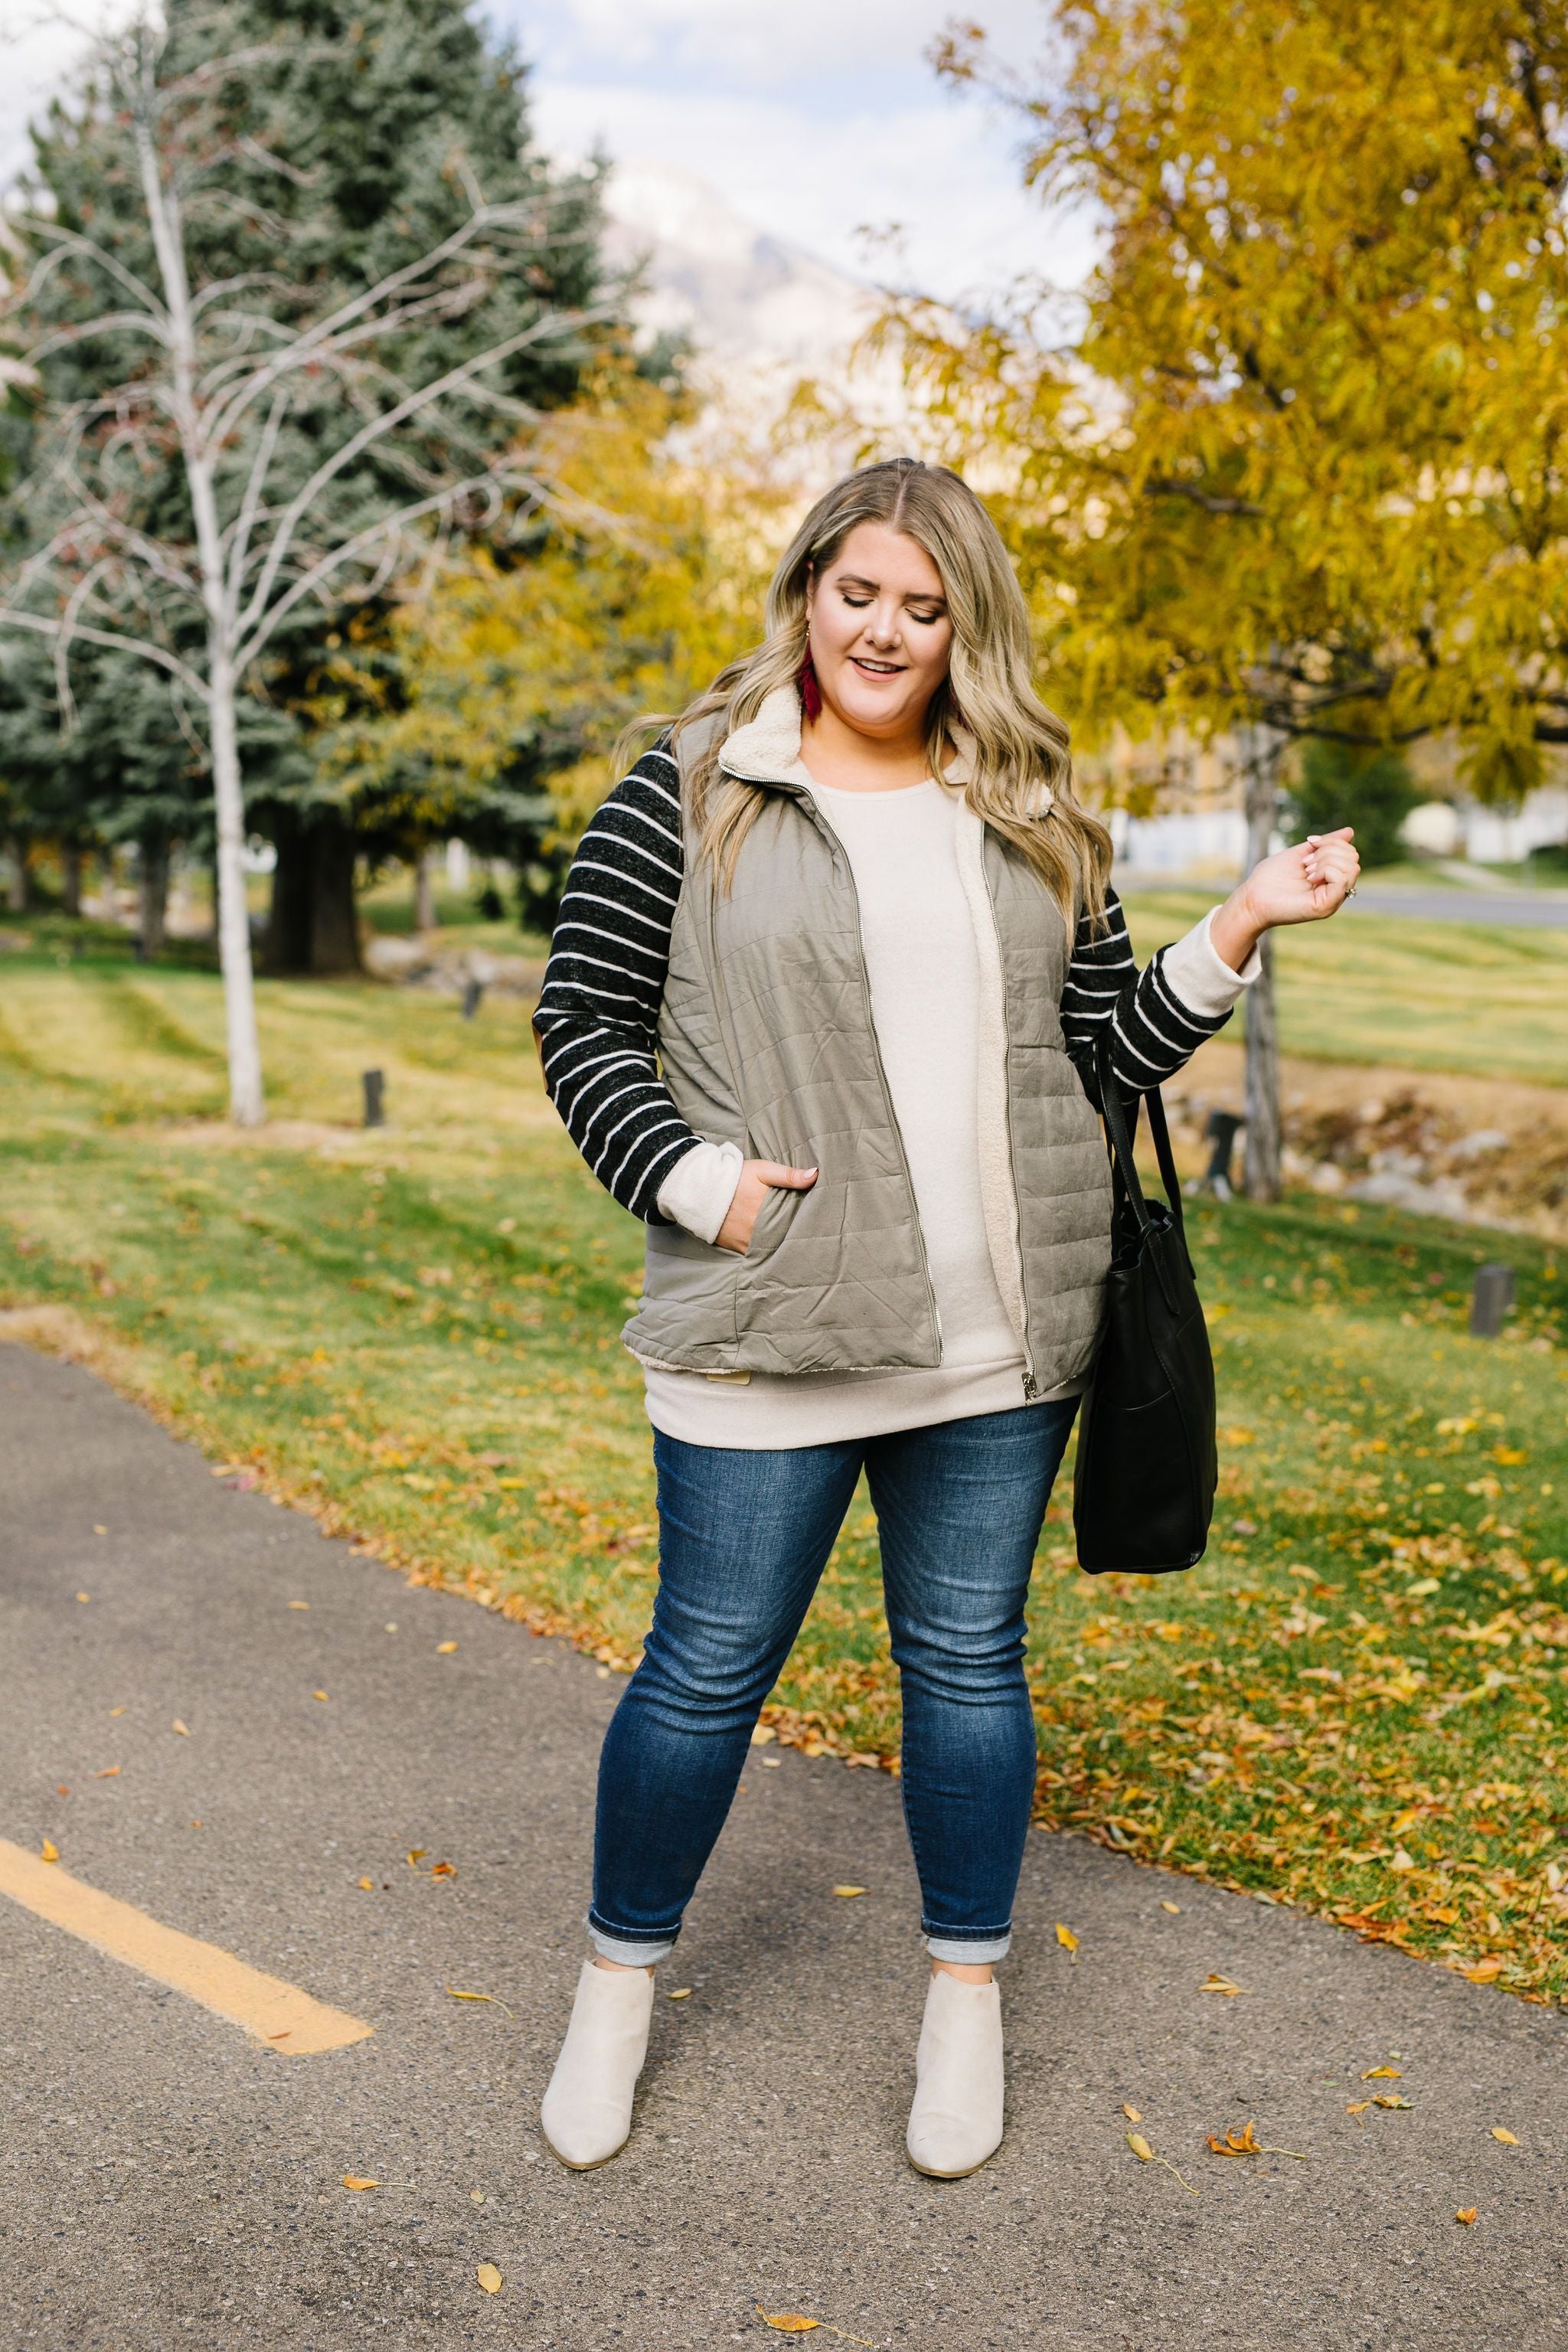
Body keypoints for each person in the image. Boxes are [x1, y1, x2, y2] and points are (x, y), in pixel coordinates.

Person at [531, 458, 1358, 2177]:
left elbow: (1102, 1059)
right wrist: (701, 1187)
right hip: (771, 1320)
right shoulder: (690, 792)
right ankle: (616, 1988)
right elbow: (582, 1025)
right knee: (703, 1676)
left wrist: (1236, 926)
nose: (885, 632)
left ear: (964, 623)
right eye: (859, 594)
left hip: (998, 1345)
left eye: (924, 605)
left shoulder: (1031, 811)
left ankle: (962, 2001)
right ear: (807, 590)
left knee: (966, 1669)